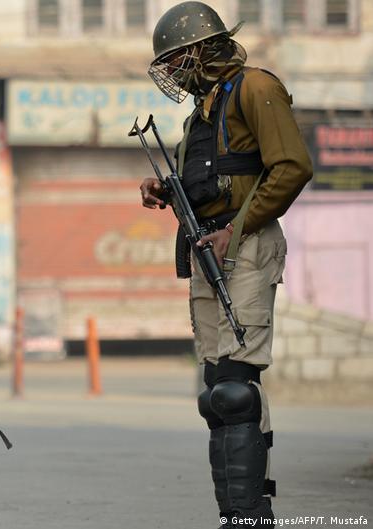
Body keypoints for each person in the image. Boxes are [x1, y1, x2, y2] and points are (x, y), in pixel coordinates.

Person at [140, 3, 312, 528]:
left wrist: (235, 230)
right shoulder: (202, 111)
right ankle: (239, 510)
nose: (171, 74)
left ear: (197, 51)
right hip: (208, 248)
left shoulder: (255, 87)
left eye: (174, 61)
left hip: (245, 244)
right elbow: (217, 179)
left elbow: (291, 168)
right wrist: (167, 191)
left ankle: (247, 514)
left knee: (236, 387)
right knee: (217, 392)